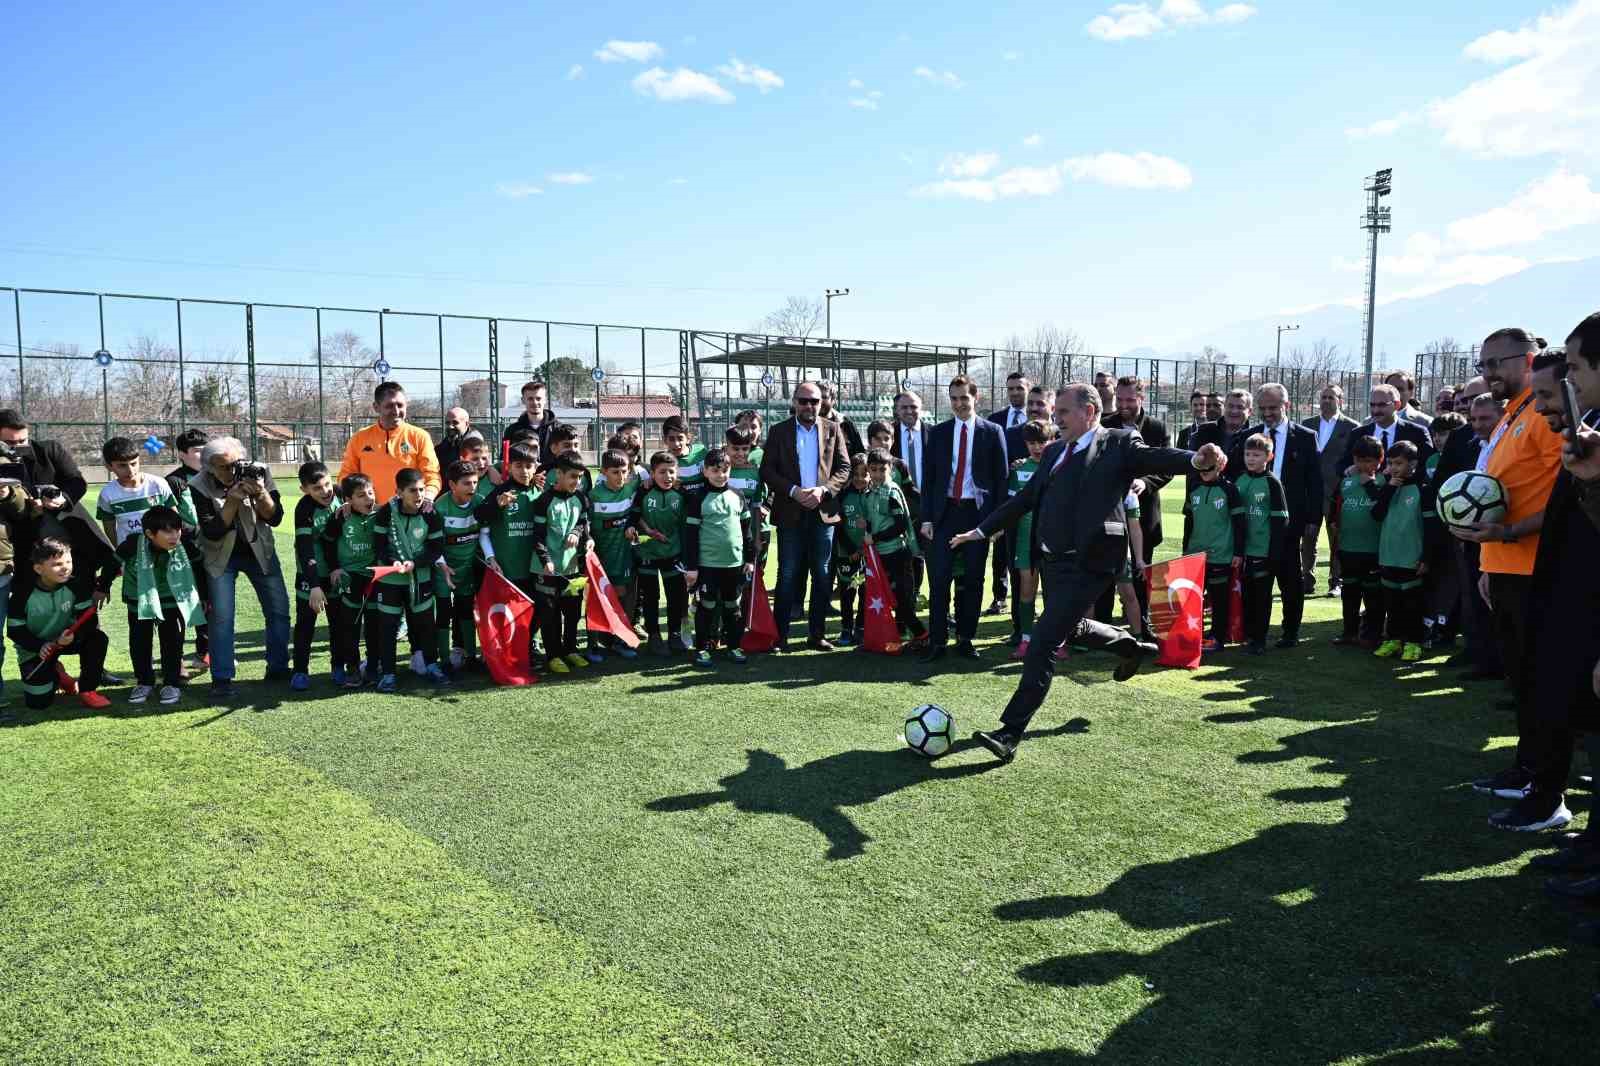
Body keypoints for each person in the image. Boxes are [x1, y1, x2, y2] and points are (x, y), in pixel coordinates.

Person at [959, 384, 1225, 762]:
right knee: (1069, 626)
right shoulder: (1053, 453)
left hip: (1093, 561)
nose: (1056, 419)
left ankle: (1009, 733)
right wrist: (982, 530)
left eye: (1064, 412)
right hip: (1054, 562)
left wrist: (1196, 460)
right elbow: (1025, 498)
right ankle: (1133, 646)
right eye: (1057, 412)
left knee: (1043, 641)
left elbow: (1156, 457)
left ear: (1090, 412)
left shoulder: (1118, 442)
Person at [1457, 327, 1566, 802]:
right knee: (1520, 680)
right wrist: (1489, 561)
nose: (1489, 374)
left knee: (1542, 682)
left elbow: (1565, 499)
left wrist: (1507, 537)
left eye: (1497, 363)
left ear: (1530, 359)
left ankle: (1545, 782)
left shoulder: (1544, 416)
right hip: (1503, 567)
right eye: (1483, 365)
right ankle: (1528, 767)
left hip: (1535, 569)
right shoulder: (1513, 413)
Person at [1491, 346, 1595, 834]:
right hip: (1553, 588)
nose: (1546, 405)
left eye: (1557, 386)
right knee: (1545, 691)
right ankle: (1547, 794)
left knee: (1565, 701)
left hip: (1577, 599)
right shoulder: (1573, 435)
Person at [189, 436, 291, 698]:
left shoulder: (259, 471)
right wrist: (232, 501)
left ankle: (278, 668)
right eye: (223, 467)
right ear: (208, 468)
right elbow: (212, 532)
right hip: (221, 556)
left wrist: (260, 492)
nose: (232, 471)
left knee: (278, 610)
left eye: (236, 463)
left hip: (260, 551)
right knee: (222, 618)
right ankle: (222, 679)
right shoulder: (198, 484)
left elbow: (276, 517)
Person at [919, 375, 1008, 663]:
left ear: (975, 398)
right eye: (954, 398)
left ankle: (966, 638)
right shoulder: (939, 433)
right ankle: (937, 641)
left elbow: (1000, 480)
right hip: (945, 513)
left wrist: (995, 523)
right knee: (939, 579)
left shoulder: (992, 432)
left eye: (964, 398)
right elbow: (929, 479)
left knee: (973, 579)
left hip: (977, 515)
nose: (959, 404)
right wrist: (927, 519)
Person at [759, 381, 850, 652]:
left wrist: (823, 491)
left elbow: (844, 468)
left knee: (822, 575)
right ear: (794, 402)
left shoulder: (834, 429)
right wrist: (793, 491)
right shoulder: (778, 431)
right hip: (791, 513)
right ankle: (780, 636)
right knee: (788, 574)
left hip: (823, 513)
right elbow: (767, 470)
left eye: (814, 401)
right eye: (804, 401)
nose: (809, 406)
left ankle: (817, 634)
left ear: (822, 403)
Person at [1228, 383, 1321, 648]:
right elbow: (1236, 476)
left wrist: (1314, 519)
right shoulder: (1249, 435)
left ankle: (1290, 632)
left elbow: (1314, 482)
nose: (1267, 413)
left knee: (1290, 581)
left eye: (1273, 407)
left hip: (1288, 523)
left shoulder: (1304, 436)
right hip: (1254, 524)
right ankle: (1255, 633)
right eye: (1263, 408)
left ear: (1286, 406)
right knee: (1257, 583)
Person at [1101, 376, 1172, 630]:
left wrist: (1145, 482)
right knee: (1106, 571)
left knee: (1141, 572)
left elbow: (1167, 468)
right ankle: (1101, 624)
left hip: (1144, 516)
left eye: (1130, 399)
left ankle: (1141, 625)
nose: (1123, 404)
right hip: (1109, 514)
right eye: (1119, 399)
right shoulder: (1104, 425)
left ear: (1142, 398)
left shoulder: (1156, 428)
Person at [7, 537, 111, 710]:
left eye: (68, 561)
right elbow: (14, 630)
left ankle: (88, 690)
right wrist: (40, 645)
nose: (65, 568)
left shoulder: (76, 585)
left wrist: (74, 636)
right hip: (38, 649)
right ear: (39, 569)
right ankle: (57, 674)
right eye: (57, 564)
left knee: (97, 639)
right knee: (38, 703)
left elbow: (89, 621)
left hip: (67, 640)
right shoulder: (22, 593)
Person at [115, 505, 201, 706]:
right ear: (149, 534)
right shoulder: (132, 545)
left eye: (177, 529)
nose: (174, 536)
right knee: (139, 642)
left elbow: (199, 568)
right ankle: (144, 681)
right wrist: (102, 587)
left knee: (172, 641)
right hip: (139, 601)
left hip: (171, 600)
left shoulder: (185, 545)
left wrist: (204, 597)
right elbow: (112, 563)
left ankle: (171, 683)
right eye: (167, 531)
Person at [372, 467, 448, 691]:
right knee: (388, 627)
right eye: (413, 490)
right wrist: (391, 562)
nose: (419, 495)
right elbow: (379, 544)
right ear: (399, 492)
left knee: (425, 624)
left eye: (422, 489)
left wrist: (416, 563)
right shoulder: (386, 512)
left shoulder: (431, 513)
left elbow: (436, 548)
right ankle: (387, 674)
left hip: (420, 576)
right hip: (391, 579)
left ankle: (431, 666)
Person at [683, 447, 755, 668]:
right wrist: (692, 567)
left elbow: (747, 531)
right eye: (715, 470)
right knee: (707, 605)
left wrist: (750, 559)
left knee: (733, 606)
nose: (720, 475)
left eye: (725, 470)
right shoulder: (698, 498)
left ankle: (733, 646)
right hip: (708, 565)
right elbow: (690, 536)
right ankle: (702, 648)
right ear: (705, 471)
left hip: (734, 564)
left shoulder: (738, 495)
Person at [1371, 441, 1440, 663]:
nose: (1393, 468)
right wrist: (1390, 486)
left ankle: (1414, 642)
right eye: (1390, 463)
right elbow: (1377, 514)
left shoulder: (1424, 488)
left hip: (1412, 557)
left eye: (1399, 463)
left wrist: (1427, 557)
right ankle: (1393, 639)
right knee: (1391, 602)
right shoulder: (1387, 486)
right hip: (1389, 554)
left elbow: (1431, 528)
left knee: (1413, 604)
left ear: (1413, 464)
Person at [476, 441, 544, 661]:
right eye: (518, 466)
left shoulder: (540, 492)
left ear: (536, 467)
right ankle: (503, 650)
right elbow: (480, 519)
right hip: (508, 567)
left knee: (535, 609)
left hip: (535, 565)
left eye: (528, 466)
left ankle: (529, 644)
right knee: (509, 612)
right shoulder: (501, 492)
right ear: (509, 466)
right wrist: (497, 504)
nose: (524, 471)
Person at [531, 453, 591, 675]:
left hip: (572, 567)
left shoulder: (582, 498)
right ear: (559, 474)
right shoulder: (544, 501)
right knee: (549, 613)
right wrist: (545, 559)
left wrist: (579, 533)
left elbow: (583, 524)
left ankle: (570, 649)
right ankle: (553, 655)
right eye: (573, 476)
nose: (577, 481)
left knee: (573, 611)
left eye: (580, 477)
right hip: (545, 568)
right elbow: (537, 536)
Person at [862, 446, 926, 649]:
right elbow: (875, 520)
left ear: (891, 469)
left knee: (903, 602)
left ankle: (922, 636)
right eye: (874, 469)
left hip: (897, 554)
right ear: (868, 470)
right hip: (878, 555)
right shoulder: (869, 492)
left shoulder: (891, 492)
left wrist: (875, 536)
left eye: (883, 469)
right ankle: (884, 638)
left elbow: (899, 526)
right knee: (879, 597)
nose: (878, 474)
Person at [338, 381, 442, 503]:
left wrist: (427, 498)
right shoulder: (359, 438)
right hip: (370, 513)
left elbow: (432, 475)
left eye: (400, 405)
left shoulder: (420, 436)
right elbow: (346, 476)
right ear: (376, 407)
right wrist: (350, 501)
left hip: (409, 514)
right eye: (389, 406)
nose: (396, 411)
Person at [322, 474, 381, 687]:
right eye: (361, 495)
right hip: (350, 578)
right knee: (351, 626)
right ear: (348, 499)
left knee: (374, 626)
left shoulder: (382, 514)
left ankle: (373, 667)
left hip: (375, 577)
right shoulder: (339, 517)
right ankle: (353, 668)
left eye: (371, 492)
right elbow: (327, 543)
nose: (368, 498)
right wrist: (335, 568)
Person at [1182, 455, 1245, 653]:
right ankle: (1194, 635)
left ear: (1220, 466)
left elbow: (1239, 523)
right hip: (1195, 554)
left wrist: (1238, 552)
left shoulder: (1229, 490)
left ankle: (1218, 638)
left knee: (1219, 599)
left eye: (1207, 469)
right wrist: (1185, 550)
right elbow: (1189, 521)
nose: (1203, 473)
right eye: (1200, 469)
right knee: (1193, 598)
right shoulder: (1193, 488)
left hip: (1221, 554)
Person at [1328, 435, 1386, 648]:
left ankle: (1373, 634)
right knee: (1350, 593)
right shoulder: (1346, 481)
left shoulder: (1383, 481)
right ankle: (1349, 632)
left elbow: (1382, 506)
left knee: (1373, 595)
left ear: (1380, 461)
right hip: (1348, 547)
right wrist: (1334, 522)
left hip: (1373, 549)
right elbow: (1335, 504)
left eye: (1370, 461)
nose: (1364, 465)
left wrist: (1369, 484)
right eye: (1360, 460)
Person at [1302, 384, 1359, 596]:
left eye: (1331, 397)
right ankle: (1307, 579)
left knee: (1336, 538)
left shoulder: (1352, 427)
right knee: (1308, 537)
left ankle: (1336, 581)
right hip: (1311, 491)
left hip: (1337, 492)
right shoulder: (1308, 424)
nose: (1326, 401)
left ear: (1340, 401)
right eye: (1323, 397)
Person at [433, 459, 490, 672]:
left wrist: (490, 557)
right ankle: (445, 660)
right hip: (443, 569)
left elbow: (483, 535)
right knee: (444, 613)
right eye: (466, 483)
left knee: (466, 610)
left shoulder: (479, 502)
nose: (472, 487)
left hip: (466, 568)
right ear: (452, 485)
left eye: (475, 482)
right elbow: (434, 543)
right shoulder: (440, 507)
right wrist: (442, 565)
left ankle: (470, 656)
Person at [1234, 434, 1289, 655]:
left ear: (1269, 456)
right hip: (1241, 551)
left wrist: (1273, 553)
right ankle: (1248, 634)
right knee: (1246, 594)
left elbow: (1281, 520)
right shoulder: (1240, 480)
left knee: (1261, 597)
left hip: (1262, 550)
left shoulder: (1272, 483)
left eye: (1256, 455)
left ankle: (1259, 639)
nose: (1251, 459)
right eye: (1248, 454)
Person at [633, 450, 689, 656]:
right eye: (662, 472)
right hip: (647, 552)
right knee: (650, 597)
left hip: (673, 552)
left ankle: (674, 634)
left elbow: (687, 522)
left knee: (675, 596)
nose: (667, 477)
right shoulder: (643, 491)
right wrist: (648, 531)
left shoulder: (682, 494)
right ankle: (654, 636)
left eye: (671, 472)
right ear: (652, 474)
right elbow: (634, 515)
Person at [290, 461, 340, 691]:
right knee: (305, 626)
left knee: (339, 624)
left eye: (327, 484)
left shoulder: (341, 494)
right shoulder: (304, 509)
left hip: (337, 573)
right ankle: (300, 670)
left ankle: (338, 667)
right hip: (310, 576)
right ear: (305, 490)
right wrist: (314, 585)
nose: (325, 491)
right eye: (317, 488)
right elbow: (305, 549)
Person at [985, 371, 1031, 615]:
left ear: (1028, 388)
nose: (1014, 392)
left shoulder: (1041, 420)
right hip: (1005, 494)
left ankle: (1028, 600)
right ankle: (999, 597)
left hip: (1032, 497)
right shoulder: (996, 420)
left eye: (1019, 388)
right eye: (1011, 388)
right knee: (1001, 551)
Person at [1008, 420, 1054, 660]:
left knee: (1053, 591)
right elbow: (1012, 507)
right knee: (1027, 590)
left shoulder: (1059, 465)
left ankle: (1057, 640)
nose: (1037, 447)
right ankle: (1026, 639)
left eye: (1042, 442)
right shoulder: (1018, 469)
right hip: (1026, 539)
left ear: (1051, 441)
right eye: (1032, 443)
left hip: (1054, 538)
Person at [587, 449, 640, 663]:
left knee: (624, 596)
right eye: (615, 472)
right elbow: (585, 525)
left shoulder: (631, 488)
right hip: (600, 558)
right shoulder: (594, 496)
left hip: (623, 556)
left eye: (624, 471)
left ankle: (618, 640)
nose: (620, 477)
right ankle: (593, 644)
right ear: (603, 472)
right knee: (596, 599)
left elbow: (647, 477)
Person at [168, 427, 211, 669]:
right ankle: (175, 660)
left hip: (213, 552)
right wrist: (201, 532)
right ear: (182, 454)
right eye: (196, 451)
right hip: (184, 554)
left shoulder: (214, 477)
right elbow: (172, 521)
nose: (202, 455)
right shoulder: (174, 481)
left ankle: (205, 652)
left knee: (209, 602)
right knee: (182, 605)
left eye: (206, 450)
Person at [96, 436, 181, 551]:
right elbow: (109, 528)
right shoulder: (107, 494)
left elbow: (174, 518)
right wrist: (120, 550)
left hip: (161, 550)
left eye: (133, 463)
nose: (130, 470)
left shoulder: (158, 484)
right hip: (131, 553)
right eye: (122, 465)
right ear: (109, 466)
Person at [890, 390, 931, 594]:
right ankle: (902, 599)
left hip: (927, 504)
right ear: (896, 410)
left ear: (920, 408)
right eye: (904, 407)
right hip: (897, 506)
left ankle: (917, 594)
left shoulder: (935, 434)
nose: (909, 411)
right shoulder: (888, 435)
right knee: (900, 555)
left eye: (913, 406)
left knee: (925, 555)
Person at [1340, 384, 1432, 471]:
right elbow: (1342, 465)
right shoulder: (1357, 434)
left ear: (1397, 405)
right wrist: (1349, 470)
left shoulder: (1418, 433)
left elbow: (1426, 467)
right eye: (1372, 405)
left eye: (1381, 405)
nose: (1376, 410)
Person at [726, 426, 770, 576]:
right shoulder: (718, 470)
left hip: (746, 536)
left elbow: (756, 508)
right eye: (735, 449)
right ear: (726, 447)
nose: (740, 453)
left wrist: (757, 538)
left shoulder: (755, 473)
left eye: (744, 449)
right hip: (719, 537)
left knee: (744, 582)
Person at [503, 380, 559, 458]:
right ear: (523, 400)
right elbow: (505, 459)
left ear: (545, 400)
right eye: (530, 399)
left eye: (538, 398)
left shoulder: (557, 429)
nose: (535, 402)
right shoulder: (512, 430)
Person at [661, 415, 706, 498]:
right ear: (665, 440)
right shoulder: (664, 462)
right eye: (671, 439)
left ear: (688, 438)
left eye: (680, 438)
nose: (676, 443)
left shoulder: (702, 452)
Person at [819, 380, 865, 457]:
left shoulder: (846, 423)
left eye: (824, 397)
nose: (820, 401)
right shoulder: (806, 424)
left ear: (833, 400)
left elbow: (859, 454)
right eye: (817, 396)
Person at [435, 406, 473, 471]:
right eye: (447, 423)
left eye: (455, 423)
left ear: (467, 424)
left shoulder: (475, 447)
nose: (450, 426)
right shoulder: (439, 450)